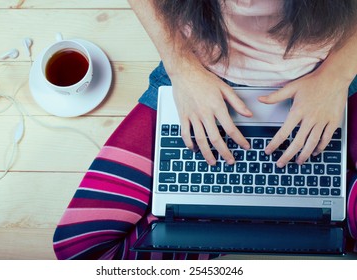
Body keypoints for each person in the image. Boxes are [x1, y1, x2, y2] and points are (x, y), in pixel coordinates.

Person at [53, 0, 357, 259]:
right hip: (197, 75)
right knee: (80, 249)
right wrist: (181, 69)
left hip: (325, 80)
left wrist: (337, 76)